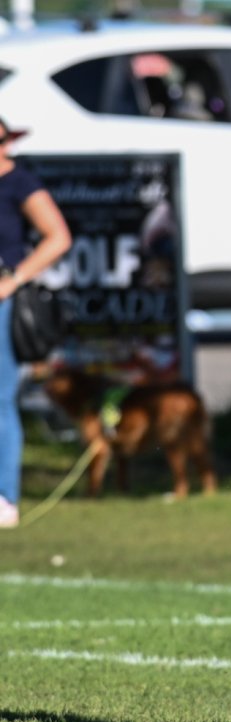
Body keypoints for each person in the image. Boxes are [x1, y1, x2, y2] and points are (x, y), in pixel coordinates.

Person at [0, 117, 72, 529]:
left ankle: (4, 496)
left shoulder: (19, 183)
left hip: (2, 303)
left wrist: (14, 279)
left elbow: (57, 236)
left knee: (0, 398)